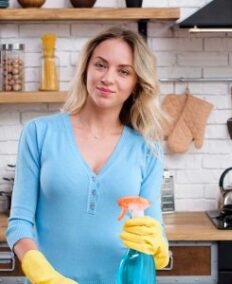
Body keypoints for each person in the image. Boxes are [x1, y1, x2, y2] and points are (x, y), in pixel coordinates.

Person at [6, 26, 169, 284]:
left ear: (137, 83)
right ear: (85, 69)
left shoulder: (147, 148)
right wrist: (41, 272)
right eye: (100, 65)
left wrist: (158, 247)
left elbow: (153, 226)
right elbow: (19, 223)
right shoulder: (39, 133)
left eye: (123, 71)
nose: (107, 78)